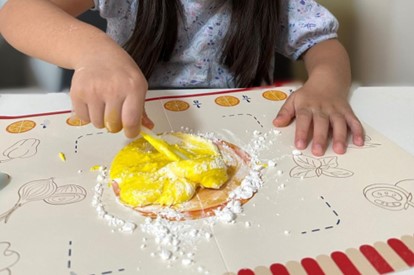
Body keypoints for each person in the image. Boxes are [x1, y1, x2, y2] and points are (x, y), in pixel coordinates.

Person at [0, 0, 364, 156]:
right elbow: (19, 12)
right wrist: (93, 52)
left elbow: (323, 46)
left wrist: (326, 85)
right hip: (134, 131)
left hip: (244, 135)